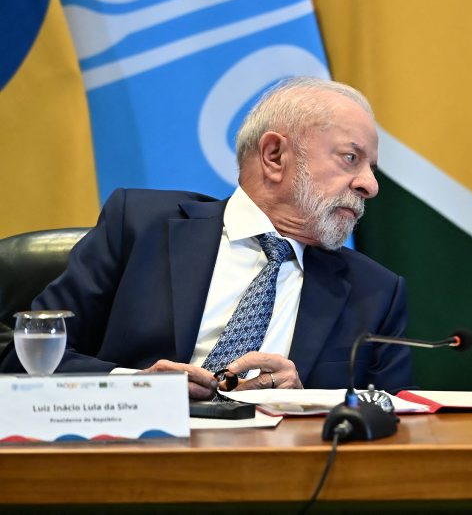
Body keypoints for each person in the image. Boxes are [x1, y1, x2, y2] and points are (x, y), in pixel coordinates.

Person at [0, 77, 413, 399]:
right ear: (274, 156)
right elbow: (21, 361)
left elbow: (395, 417)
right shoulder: (139, 226)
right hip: (129, 461)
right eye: (350, 158)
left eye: (371, 168)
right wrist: (137, 387)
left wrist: (302, 403)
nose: (370, 185)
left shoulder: (376, 292)